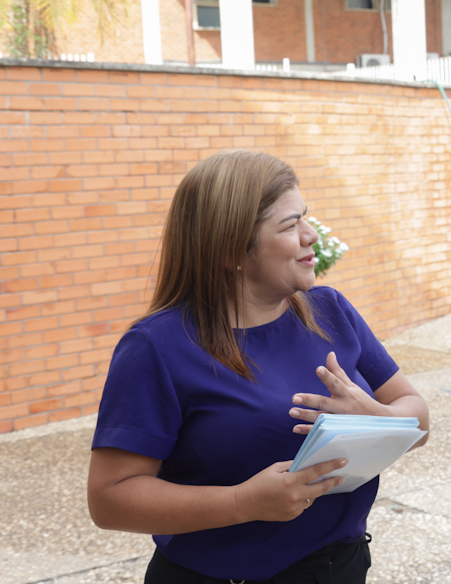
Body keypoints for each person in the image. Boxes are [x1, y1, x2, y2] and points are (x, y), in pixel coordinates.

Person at [88, 150, 430, 583]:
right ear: (232, 248)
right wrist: (242, 503)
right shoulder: (156, 347)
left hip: (339, 566)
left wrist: (380, 419)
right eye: (289, 225)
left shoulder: (331, 310)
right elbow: (109, 499)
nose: (311, 234)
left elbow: (415, 412)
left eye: (306, 217)